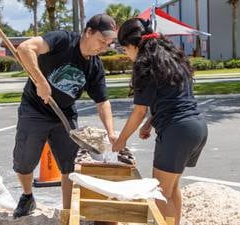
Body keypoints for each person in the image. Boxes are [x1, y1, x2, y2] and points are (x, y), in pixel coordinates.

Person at [12, 14, 118, 218]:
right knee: (24, 161)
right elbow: (25, 49)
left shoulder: (95, 66)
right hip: (35, 109)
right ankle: (27, 196)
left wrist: (111, 133)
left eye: (108, 43)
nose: (103, 47)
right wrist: (41, 82)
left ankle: (68, 212)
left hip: (64, 114)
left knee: (71, 165)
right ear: (88, 32)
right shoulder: (63, 40)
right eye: (101, 41)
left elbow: (103, 102)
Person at [112, 18, 208, 225]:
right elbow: (170, 97)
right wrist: (149, 124)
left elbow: (138, 112)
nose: (126, 54)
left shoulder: (144, 64)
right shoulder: (170, 58)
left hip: (177, 131)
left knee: (159, 193)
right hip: (196, 127)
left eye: (124, 49)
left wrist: (120, 142)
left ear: (133, 45)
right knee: (171, 188)